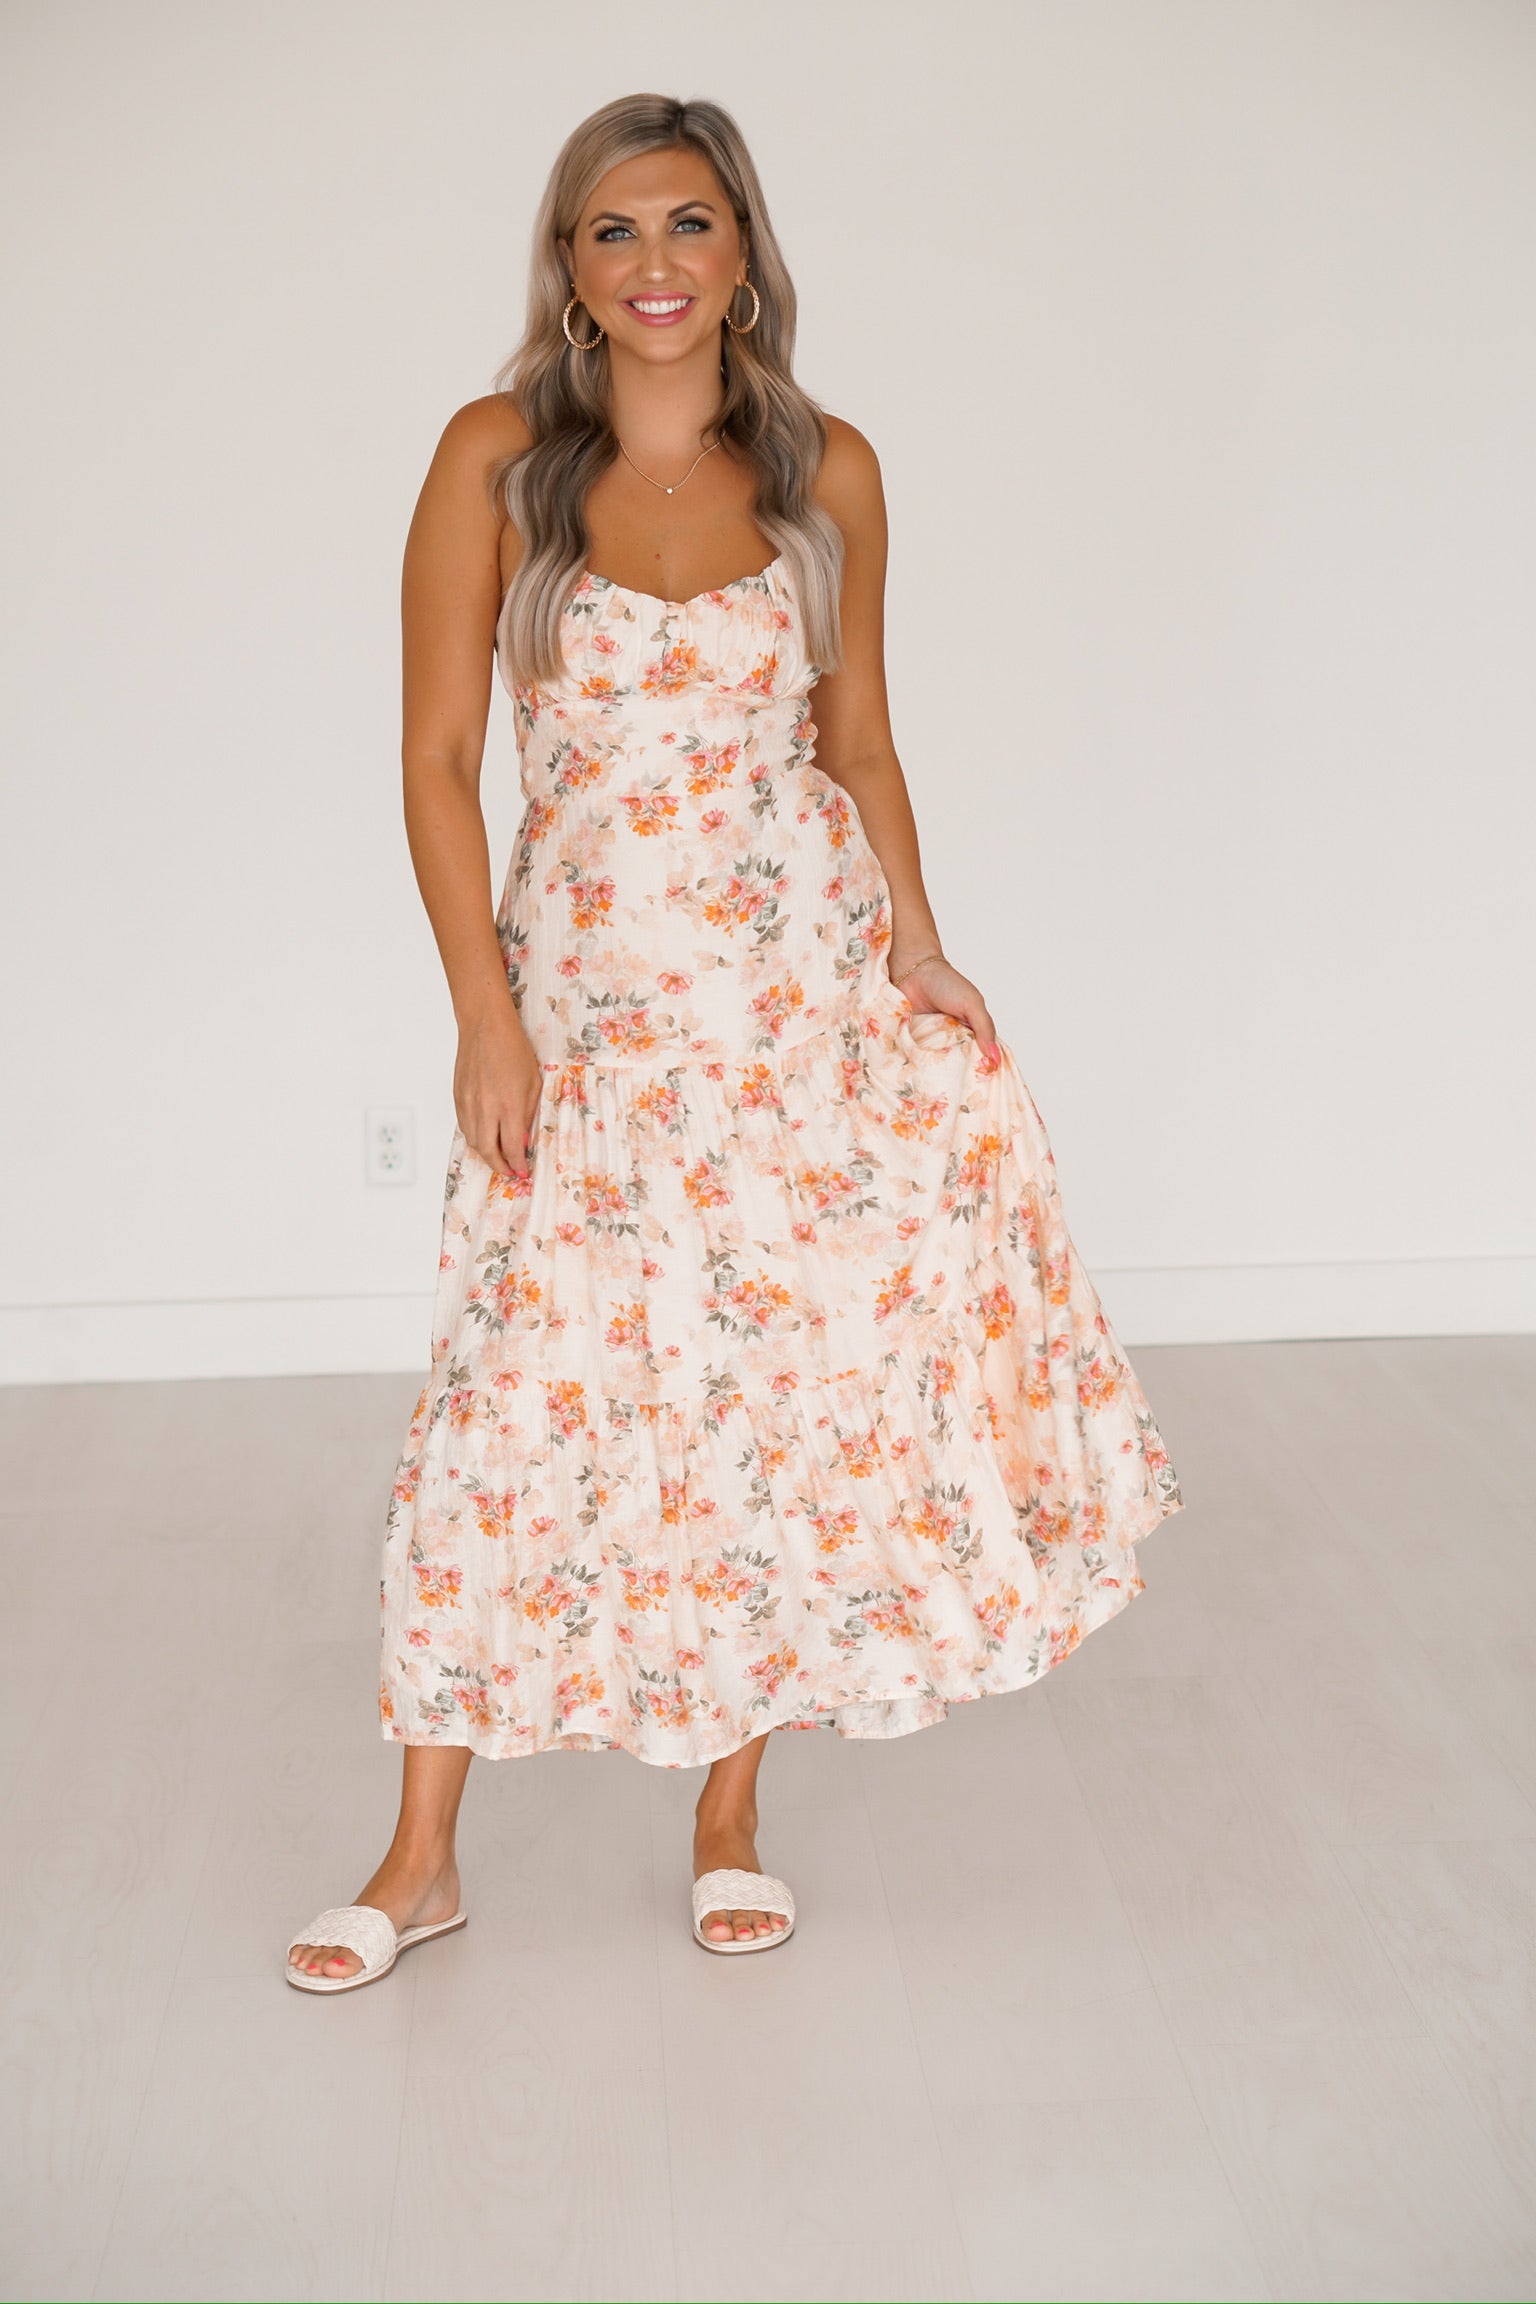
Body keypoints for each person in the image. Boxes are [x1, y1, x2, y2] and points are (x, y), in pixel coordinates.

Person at [286, 91, 1183, 1990]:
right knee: (506, 1404)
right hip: (588, 1013)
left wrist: (920, 951)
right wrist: (485, 1013)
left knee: (765, 1397)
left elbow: (855, 746)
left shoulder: (829, 469)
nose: (657, 266)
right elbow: (437, 761)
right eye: (615, 232)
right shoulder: (495, 459)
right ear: (570, 266)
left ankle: (728, 1814)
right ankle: (421, 1853)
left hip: (798, 1000)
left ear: (746, 252)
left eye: (690, 225)